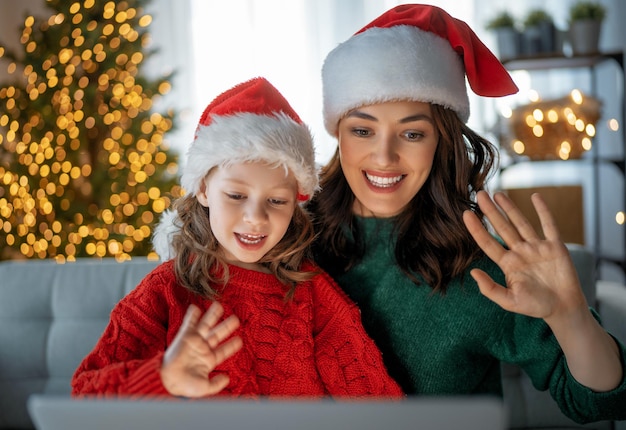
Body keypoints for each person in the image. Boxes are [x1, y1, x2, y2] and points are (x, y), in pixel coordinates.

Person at [307, 3, 626, 423]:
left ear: (441, 141)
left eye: (412, 133)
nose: (384, 156)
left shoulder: (479, 263)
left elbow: (597, 401)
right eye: (362, 130)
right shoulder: (286, 234)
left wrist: (571, 317)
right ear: (338, 134)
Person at [71, 77, 403, 399]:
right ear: (203, 189)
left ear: (297, 204)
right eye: (236, 195)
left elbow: (377, 403)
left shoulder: (313, 296)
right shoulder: (166, 292)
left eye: (276, 201)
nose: (256, 217)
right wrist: (164, 378)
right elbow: (86, 394)